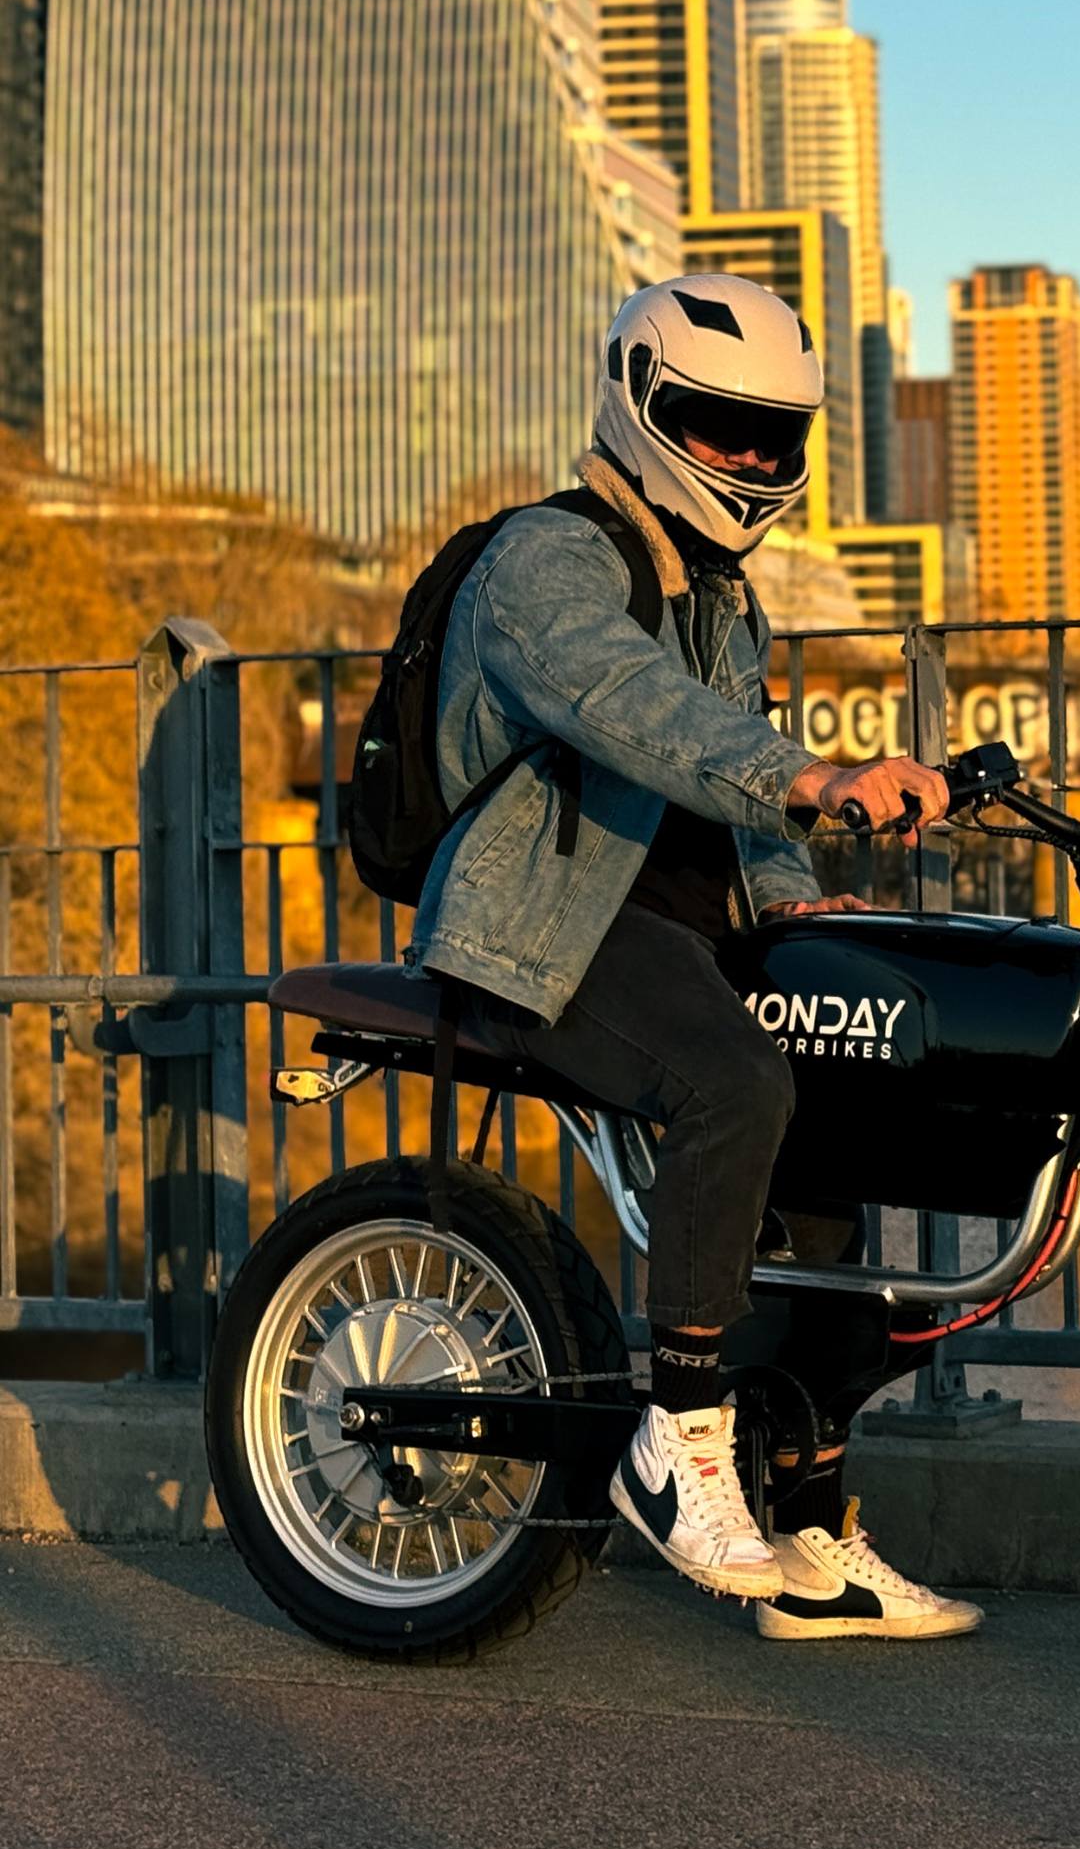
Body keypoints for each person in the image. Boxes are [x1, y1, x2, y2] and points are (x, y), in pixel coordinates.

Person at [407, 273, 981, 1640]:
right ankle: (680, 1434)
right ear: (642, 403)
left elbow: (736, 803)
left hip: (690, 932)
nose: (748, 460)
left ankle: (817, 1530)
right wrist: (814, 776)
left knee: (845, 1131)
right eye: (719, 427)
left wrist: (799, 903)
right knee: (736, 1084)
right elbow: (632, 707)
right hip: (546, 928)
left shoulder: (725, 599)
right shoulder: (549, 556)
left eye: (771, 437)